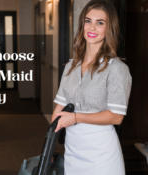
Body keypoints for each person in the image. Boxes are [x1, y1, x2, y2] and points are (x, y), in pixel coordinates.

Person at [51, 0, 132, 174]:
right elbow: (59, 108)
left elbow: (116, 117)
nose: (92, 28)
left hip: (101, 155)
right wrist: (49, 145)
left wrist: (75, 118)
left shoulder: (116, 68)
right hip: (73, 151)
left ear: (109, 28)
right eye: (88, 21)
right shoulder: (70, 66)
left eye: (100, 23)